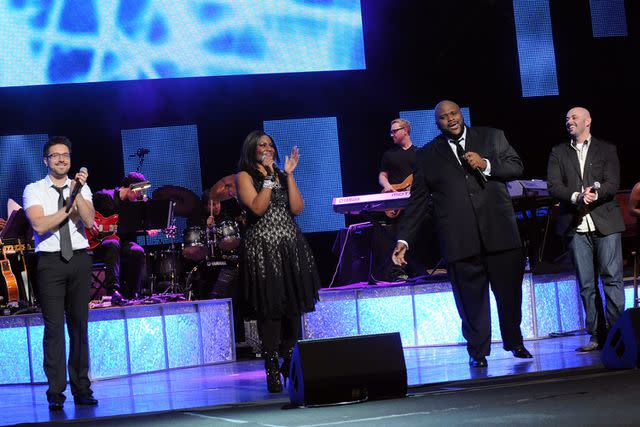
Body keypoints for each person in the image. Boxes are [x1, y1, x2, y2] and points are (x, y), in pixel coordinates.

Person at [392, 100, 532, 367]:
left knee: (509, 295)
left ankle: (514, 341)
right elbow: (418, 201)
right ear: (437, 123)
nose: (451, 119)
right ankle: (478, 351)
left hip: (500, 233)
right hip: (459, 239)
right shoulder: (428, 155)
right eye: (444, 117)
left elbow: (516, 166)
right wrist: (404, 240)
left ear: (461, 115)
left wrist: (486, 164)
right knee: (470, 302)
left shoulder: (492, 136)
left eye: (454, 113)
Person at [236, 130, 321, 393]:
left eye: (270, 145)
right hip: (263, 250)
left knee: (294, 308)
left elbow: (297, 208)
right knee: (271, 310)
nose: (268, 148)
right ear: (252, 149)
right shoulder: (244, 177)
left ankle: (288, 361)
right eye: (262, 145)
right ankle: (271, 366)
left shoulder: (281, 175)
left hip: (290, 247)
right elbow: (258, 208)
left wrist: (289, 175)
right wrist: (271, 179)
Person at [23, 136, 98, 410]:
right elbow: (40, 225)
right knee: (54, 329)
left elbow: (90, 221)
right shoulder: (34, 189)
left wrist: (77, 193)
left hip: (79, 258)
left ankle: (82, 388)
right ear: (46, 160)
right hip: (50, 262)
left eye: (65, 154)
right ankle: (56, 391)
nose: (61, 159)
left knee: (79, 327)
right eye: (55, 155)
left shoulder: (81, 188)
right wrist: (68, 209)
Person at [547, 107, 626, 352]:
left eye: (574, 117)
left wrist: (594, 195)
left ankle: (618, 334)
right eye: (567, 118)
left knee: (612, 279)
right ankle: (596, 335)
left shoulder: (606, 149)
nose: (569, 121)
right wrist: (576, 196)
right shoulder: (558, 152)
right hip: (576, 225)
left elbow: (612, 183)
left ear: (588, 122)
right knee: (586, 284)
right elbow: (553, 186)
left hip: (605, 222)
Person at [92, 172, 156, 303]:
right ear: (131, 187)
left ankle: (133, 295)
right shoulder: (103, 196)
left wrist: (147, 229)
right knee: (112, 244)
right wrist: (89, 221)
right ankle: (113, 291)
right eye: (139, 191)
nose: (140, 194)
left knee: (137, 251)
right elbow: (84, 208)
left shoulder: (134, 206)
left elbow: (130, 228)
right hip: (99, 243)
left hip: (121, 242)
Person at [374, 119, 417, 282]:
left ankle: (416, 269)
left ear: (405, 131)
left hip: (413, 202)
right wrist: (387, 186)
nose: (391, 134)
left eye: (394, 131)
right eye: (391, 131)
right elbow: (382, 176)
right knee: (396, 233)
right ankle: (397, 271)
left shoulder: (419, 153)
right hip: (395, 202)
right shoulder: (389, 155)